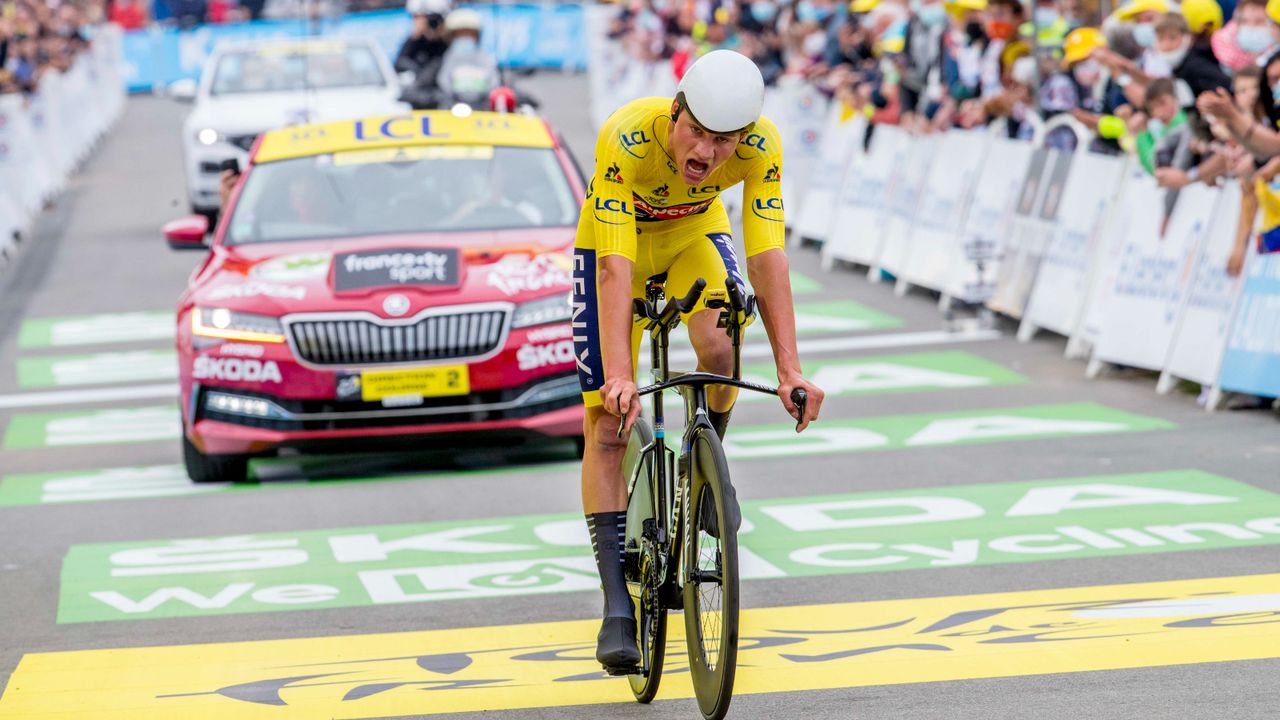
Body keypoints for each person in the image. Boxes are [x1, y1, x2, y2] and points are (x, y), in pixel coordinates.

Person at [574, 49, 824, 672]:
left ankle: (708, 460)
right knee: (607, 425)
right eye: (697, 133)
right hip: (618, 243)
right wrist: (620, 376)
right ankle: (616, 605)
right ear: (676, 110)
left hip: (692, 235)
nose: (708, 154)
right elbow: (612, 267)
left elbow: (768, 254)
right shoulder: (628, 136)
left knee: (720, 345)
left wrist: (790, 368)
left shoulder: (763, 147)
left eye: (725, 142)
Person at [436, 7, 500, 102]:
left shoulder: (484, 57)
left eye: (469, 34)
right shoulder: (447, 57)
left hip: (482, 107)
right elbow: (443, 81)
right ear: (451, 37)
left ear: (477, 36)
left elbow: (494, 82)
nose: (465, 38)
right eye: (460, 34)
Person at [396, 0, 450, 76]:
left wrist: (443, 35)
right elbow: (400, 62)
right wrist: (415, 37)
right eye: (416, 17)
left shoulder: (449, 40)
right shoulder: (416, 41)